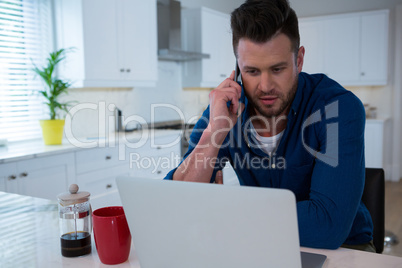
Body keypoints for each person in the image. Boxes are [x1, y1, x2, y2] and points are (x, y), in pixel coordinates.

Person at [164, 0, 375, 251]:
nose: (265, 86)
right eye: (252, 71)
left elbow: (326, 227)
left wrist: (226, 212)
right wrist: (214, 131)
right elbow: (178, 203)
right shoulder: (224, 110)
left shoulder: (337, 107)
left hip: (344, 248)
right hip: (259, 240)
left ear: (299, 60)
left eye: (277, 69)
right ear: (237, 70)